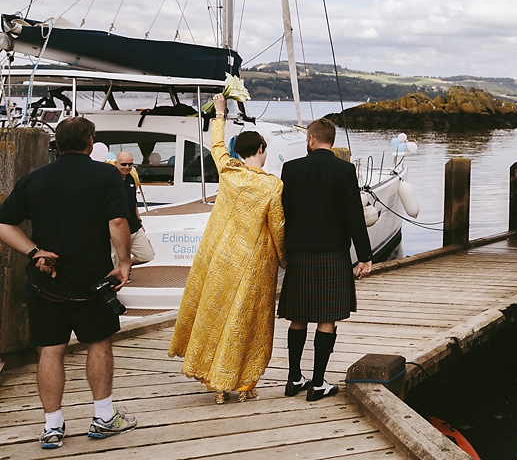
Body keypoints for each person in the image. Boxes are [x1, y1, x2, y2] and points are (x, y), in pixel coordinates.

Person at [0, 117, 136, 449]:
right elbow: (118, 221)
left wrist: (34, 252)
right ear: (90, 142)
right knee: (99, 343)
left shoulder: (34, 179)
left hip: (46, 281)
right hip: (92, 281)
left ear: (56, 144)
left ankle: (52, 426)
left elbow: (4, 224)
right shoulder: (106, 175)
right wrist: (124, 263)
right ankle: (104, 417)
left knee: (50, 350)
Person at [168, 94, 285, 403]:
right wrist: (285, 257)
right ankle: (244, 383)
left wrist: (220, 114)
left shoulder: (229, 173)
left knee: (217, 317)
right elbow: (278, 226)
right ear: (261, 150)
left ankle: (216, 384)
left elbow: (216, 146)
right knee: (249, 323)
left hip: (222, 259)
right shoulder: (272, 185)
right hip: (255, 263)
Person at [278, 116, 372, 403]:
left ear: (311, 139)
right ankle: (317, 383)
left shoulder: (290, 169)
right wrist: (364, 256)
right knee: (326, 319)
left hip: (300, 255)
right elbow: (354, 216)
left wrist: (282, 251)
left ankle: (294, 378)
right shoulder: (344, 170)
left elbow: (283, 215)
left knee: (298, 317)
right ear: (332, 141)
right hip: (332, 254)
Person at [110, 152, 154, 266]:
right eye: (123, 164)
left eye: (130, 164)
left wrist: (140, 221)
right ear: (116, 164)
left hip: (134, 226)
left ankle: (125, 266)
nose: (127, 167)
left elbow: (133, 203)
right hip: (118, 228)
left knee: (147, 255)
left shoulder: (131, 178)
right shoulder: (110, 181)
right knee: (114, 260)